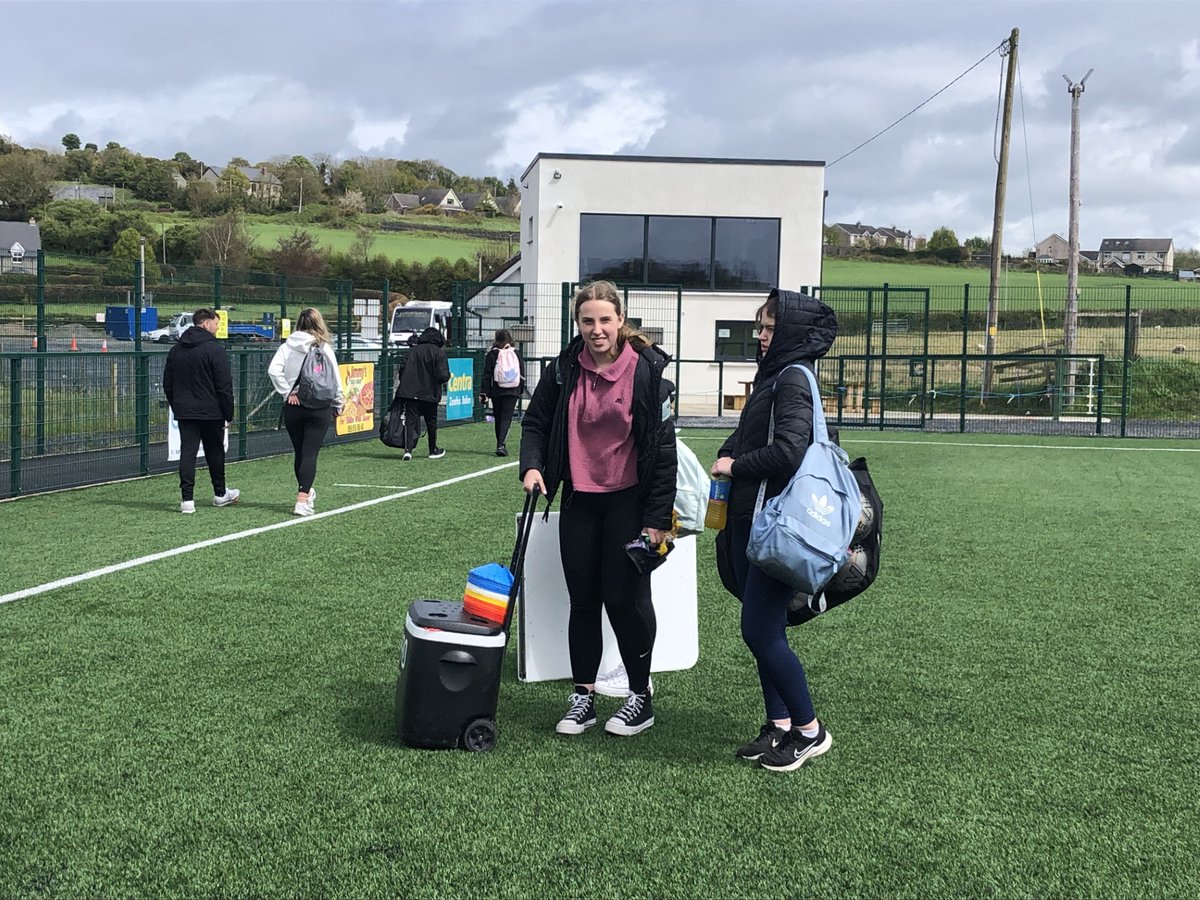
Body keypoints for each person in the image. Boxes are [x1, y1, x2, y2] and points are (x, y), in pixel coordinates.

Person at [520, 280, 677, 737]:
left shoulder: (646, 373)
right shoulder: (562, 370)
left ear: (621, 321)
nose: (596, 329)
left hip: (630, 502)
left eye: (605, 319)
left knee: (625, 601)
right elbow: (535, 422)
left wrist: (656, 521)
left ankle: (639, 697)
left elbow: (663, 452)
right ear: (578, 324)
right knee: (583, 602)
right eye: (587, 320)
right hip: (579, 501)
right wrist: (532, 467)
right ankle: (583, 698)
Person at [711, 288, 838, 772]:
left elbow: (788, 451)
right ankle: (779, 726)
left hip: (775, 524)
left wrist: (734, 464)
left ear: (789, 332)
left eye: (768, 328)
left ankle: (809, 729)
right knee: (763, 630)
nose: (761, 336)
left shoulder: (792, 378)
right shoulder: (776, 376)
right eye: (760, 327)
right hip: (756, 519)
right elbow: (754, 436)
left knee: (761, 632)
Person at [267, 307, 345, 517]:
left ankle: (306, 491)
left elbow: (273, 370)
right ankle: (302, 499)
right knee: (311, 453)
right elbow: (335, 379)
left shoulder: (288, 345)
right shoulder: (323, 347)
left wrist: (287, 392)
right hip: (319, 405)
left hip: (294, 406)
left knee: (301, 453)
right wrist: (339, 403)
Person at [163, 307, 240, 514]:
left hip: (186, 411)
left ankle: (187, 500)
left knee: (187, 453)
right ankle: (220, 493)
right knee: (215, 452)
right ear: (206, 323)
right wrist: (228, 413)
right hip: (211, 412)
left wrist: (176, 404)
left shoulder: (175, 350)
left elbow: (167, 383)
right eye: (216, 323)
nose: (217, 327)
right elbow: (224, 385)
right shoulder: (215, 350)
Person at [393, 325, 450, 461]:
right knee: (431, 422)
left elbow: (402, 370)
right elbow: (442, 375)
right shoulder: (438, 353)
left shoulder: (412, 351)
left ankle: (408, 450)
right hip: (430, 393)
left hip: (411, 392)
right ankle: (432, 449)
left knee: (410, 421)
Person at [479, 328, 524, 457]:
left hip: (497, 390)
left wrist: (484, 393)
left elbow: (486, 375)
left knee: (498, 417)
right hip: (513, 390)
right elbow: (522, 373)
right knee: (506, 417)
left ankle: (499, 443)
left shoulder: (492, 354)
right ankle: (501, 444)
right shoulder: (516, 353)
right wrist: (520, 390)